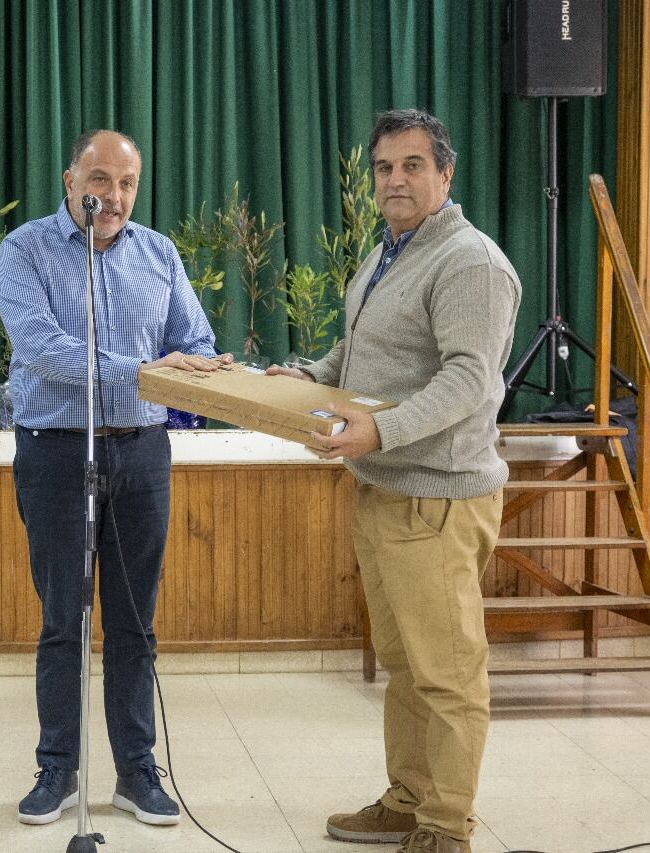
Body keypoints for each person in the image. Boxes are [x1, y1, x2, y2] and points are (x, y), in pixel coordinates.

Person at [268, 109, 521, 853]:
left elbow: (468, 380)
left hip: (437, 497)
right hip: (383, 488)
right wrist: (311, 375)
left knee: (447, 673)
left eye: (413, 165)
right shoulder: (389, 252)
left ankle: (446, 826)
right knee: (408, 665)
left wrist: (380, 430)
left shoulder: (469, 263)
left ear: (446, 173)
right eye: (384, 167)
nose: (395, 180)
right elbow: (363, 348)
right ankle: (409, 800)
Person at [0, 129, 232, 827]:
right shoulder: (25, 249)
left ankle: (136, 771)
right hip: (56, 452)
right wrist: (143, 369)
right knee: (62, 620)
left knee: (135, 622)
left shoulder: (158, 252)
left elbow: (195, 340)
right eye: (100, 179)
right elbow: (44, 348)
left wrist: (198, 365)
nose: (116, 195)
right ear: (70, 181)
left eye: (128, 182)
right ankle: (57, 769)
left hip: (141, 453)